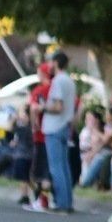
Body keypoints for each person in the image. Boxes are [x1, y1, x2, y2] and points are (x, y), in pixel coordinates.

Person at [39, 50, 78, 213]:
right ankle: (67, 201)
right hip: (65, 126)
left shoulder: (58, 81)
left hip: (54, 126)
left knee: (56, 167)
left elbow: (57, 106)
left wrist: (43, 107)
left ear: (56, 63)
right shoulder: (70, 81)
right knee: (64, 166)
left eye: (51, 62)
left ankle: (62, 203)